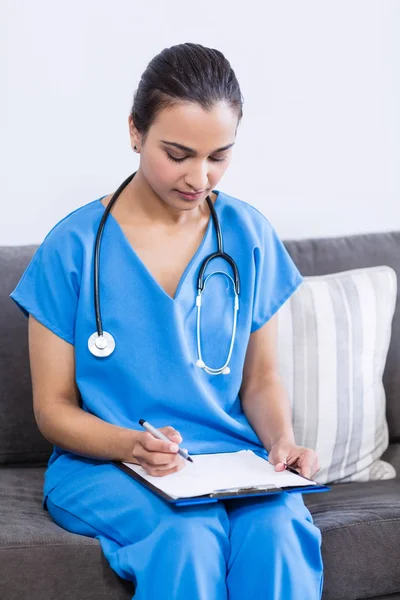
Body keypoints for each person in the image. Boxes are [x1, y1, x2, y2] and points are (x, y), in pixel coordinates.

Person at [10, 42, 324, 599]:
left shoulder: (247, 236)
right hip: (104, 464)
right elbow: (51, 409)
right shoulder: (73, 248)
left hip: (229, 462)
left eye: (218, 156)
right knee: (189, 534)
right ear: (135, 131)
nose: (199, 177)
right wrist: (131, 446)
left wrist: (282, 442)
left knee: (279, 531)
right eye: (177, 154)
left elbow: (261, 379)